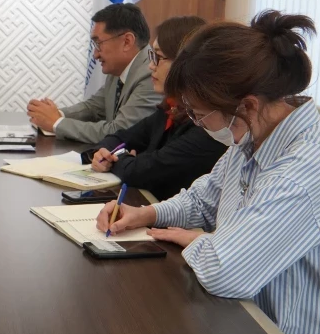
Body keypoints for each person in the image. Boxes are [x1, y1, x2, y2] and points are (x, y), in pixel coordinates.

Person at [97, 11, 320, 334]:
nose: (196, 123)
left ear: (245, 104)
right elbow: (204, 197)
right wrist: (147, 214)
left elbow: (225, 271)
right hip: (251, 330)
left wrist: (198, 240)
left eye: (199, 114)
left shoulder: (304, 168)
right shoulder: (256, 134)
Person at [84, 16, 226, 200]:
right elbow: (118, 137)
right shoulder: (171, 108)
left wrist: (118, 158)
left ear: (185, 63)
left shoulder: (208, 126)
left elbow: (140, 172)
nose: (151, 66)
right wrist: (105, 154)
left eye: (158, 57)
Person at [27, 3, 159, 144]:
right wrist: (55, 114)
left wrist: (56, 123)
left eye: (98, 43)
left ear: (127, 41)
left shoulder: (151, 74)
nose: (95, 55)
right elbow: (94, 108)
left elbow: (120, 131)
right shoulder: (119, 68)